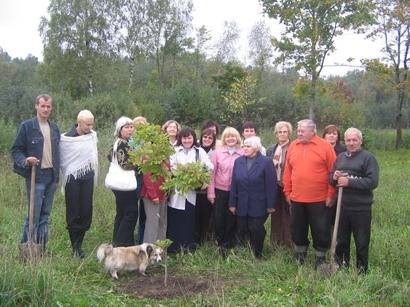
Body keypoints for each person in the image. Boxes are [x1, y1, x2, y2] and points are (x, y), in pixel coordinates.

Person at [283, 119, 336, 268]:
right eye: (298, 130)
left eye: (302, 131)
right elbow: (288, 171)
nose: (299, 133)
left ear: (313, 131)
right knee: (297, 228)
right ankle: (300, 253)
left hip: (319, 199)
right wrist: (287, 192)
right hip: (297, 198)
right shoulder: (293, 146)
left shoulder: (325, 146)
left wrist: (331, 194)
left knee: (320, 228)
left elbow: (333, 172)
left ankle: (320, 257)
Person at [11, 94, 60, 252]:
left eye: (48, 106)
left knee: (45, 216)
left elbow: (58, 152)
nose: (45, 109)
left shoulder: (54, 128)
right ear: (36, 106)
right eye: (42, 106)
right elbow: (16, 150)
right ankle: (26, 249)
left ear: (51, 108)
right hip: (36, 177)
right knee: (33, 215)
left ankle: (41, 249)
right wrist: (26, 160)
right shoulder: (27, 126)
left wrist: (57, 177)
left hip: (51, 177)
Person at [331, 127, 379, 273]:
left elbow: (373, 182)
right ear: (344, 141)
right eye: (348, 140)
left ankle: (361, 271)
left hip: (361, 208)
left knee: (361, 241)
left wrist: (349, 182)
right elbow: (331, 178)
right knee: (342, 241)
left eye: (354, 140)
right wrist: (334, 177)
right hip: (342, 207)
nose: (351, 143)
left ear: (360, 141)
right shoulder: (340, 158)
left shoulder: (368, 158)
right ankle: (342, 267)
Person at [167, 127, 214, 253]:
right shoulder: (175, 151)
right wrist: (181, 171)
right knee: (176, 219)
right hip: (177, 190)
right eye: (184, 138)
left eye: (189, 138)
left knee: (189, 220)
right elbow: (170, 166)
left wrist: (197, 170)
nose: (187, 140)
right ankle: (174, 248)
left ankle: (188, 248)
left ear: (193, 138)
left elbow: (210, 166)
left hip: (191, 191)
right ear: (180, 139)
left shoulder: (199, 151)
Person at [229, 136, 277, 258]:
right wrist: (232, 203)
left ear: (256, 148)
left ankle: (258, 253)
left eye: (248, 146)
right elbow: (234, 183)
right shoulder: (238, 161)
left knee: (255, 228)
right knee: (242, 228)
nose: (244, 148)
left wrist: (271, 205)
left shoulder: (266, 162)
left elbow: (271, 185)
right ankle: (244, 252)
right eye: (244, 146)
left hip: (259, 203)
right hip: (242, 203)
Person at [60, 110, 98, 258]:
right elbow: (64, 160)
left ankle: (80, 245)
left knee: (86, 211)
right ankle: (74, 247)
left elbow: (92, 155)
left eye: (91, 124)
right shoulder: (67, 138)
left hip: (88, 177)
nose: (90, 127)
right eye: (87, 124)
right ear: (79, 122)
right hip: (72, 179)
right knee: (73, 212)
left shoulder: (92, 136)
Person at [207, 127, 243, 251]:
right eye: (227, 136)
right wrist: (211, 193)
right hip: (219, 190)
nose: (230, 139)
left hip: (236, 192)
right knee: (219, 218)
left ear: (237, 138)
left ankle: (229, 243)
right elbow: (212, 174)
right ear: (224, 139)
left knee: (232, 218)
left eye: (233, 136)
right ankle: (220, 242)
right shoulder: (218, 153)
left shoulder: (243, 152)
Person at [108, 116, 138, 247]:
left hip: (118, 184)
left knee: (121, 212)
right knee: (131, 213)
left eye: (131, 127)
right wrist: (139, 162)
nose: (130, 130)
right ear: (120, 129)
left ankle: (117, 242)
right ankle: (123, 243)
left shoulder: (118, 141)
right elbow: (125, 164)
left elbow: (109, 156)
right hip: (124, 184)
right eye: (126, 127)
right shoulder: (123, 143)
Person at [266, 121, 293, 247]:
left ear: (289, 133)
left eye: (285, 132)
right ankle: (276, 243)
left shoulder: (293, 147)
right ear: (276, 134)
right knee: (275, 215)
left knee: (288, 215)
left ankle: (288, 243)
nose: (282, 134)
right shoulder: (271, 148)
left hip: (288, 185)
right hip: (274, 185)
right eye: (279, 132)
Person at [195, 128, 217, 244]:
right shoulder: (196, 149)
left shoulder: (215, 152)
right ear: (201, 137)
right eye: (205, 137)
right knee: (195, 216)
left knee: (206, 216)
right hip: (195, 189)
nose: (207, 139)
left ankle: (204, 240)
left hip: (208, 189)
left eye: (210, 138)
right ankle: (195, 238)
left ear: (213, 140)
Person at [132, 116, 147, 244]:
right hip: (134, 177)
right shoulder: (131, 141)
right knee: (132, 208)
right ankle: (131, 235)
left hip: (146, 178)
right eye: (137, 127)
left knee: (143, 209)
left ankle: (141, 236)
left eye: (142, 126)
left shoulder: (148, 141)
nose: (140, 129)